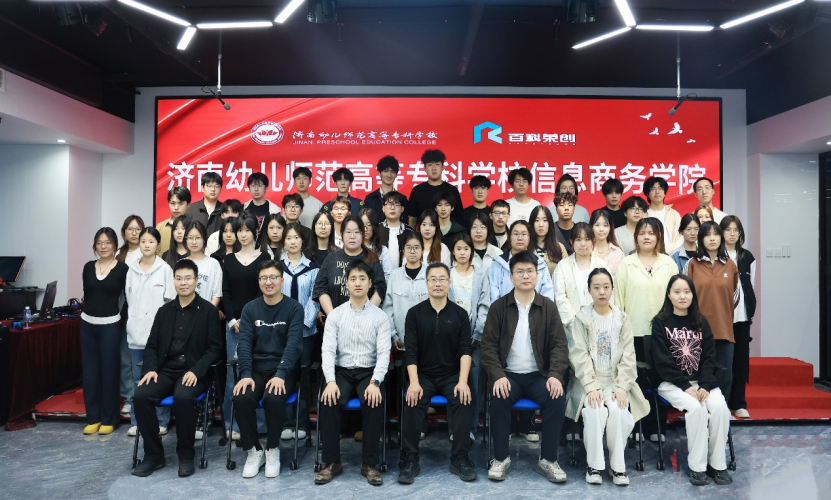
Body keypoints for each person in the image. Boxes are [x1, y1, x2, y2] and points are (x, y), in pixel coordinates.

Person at [481, 251, 569, 483]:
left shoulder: (548, 307)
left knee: (556, 398)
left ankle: (548, 459)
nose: (526, 276)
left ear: (537, 275)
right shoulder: (499, 307)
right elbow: (488, 347)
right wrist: (498, 375)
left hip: (539, 376)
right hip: (508, 376)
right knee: (498, 397)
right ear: (511, 277)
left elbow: (559, 346)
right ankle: (501, 458)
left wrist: (555, 375)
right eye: (520, 272)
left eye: (530, 271)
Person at [131, 259, 223, 478]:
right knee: (141, 396)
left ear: (196, 281)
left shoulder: (208, 311)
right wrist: (150, 369)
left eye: (188, 278)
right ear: (174, 281)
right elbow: (152, 345)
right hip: (165, 370)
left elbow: (215, 349)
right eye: (179, 278)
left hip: (193, 371)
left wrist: (196, 371)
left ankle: (186, 455)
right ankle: (154, 455)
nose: (183, 283)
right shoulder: (164, 311)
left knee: (183, 398)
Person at [565, 269, 649, 486]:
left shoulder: (622, 319)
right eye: (596, 287)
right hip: (588, 381)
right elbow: (578, 355)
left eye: (606, 287)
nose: (602, 292)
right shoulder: (581, 319)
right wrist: (591, 386)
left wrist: (621, 388)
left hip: (615, 380)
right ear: (589, 290)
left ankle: (617, 466)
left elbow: (629, 357)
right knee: (595, 410)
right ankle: (594, 466)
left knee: (619, 411)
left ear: (612, 289)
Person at [651, 275, 732, 486]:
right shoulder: (660, 323)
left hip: (701, 383)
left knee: (720, 408)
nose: (682, 296)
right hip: (672, 384)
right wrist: (685, 385)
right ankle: (697, 467)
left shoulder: (701, 322)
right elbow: (662, 361)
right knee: (696, 408)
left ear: (693, 295)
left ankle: (718, 465)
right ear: (669, 295)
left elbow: (709, 357)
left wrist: (705, 385)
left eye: (687, 292)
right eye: (677, 292)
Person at [316, 261, 391, 486]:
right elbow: (328, 351)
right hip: (342, 372)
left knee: (373, 401)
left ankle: (370, 464)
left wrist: (375, 382)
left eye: (362, 279)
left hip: (369, 372)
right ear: (346, 284)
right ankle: (332, 462)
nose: (358, 283)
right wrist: (330, 381)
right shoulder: (336, 315)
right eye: (353, 279)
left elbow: (384, 354)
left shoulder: (380, 317)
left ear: (370, 283)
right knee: (328, 399)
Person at [399, 263, 476, 484]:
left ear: (449, 283)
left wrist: (463, 381)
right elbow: (410, 351)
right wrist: (414, 382)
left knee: (463, 398)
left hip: (451, 375)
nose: (438, 283)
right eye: (433, 279)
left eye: (442, 279)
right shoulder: (414, 313)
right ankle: (410, 458)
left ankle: (460, 457)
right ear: (426, 283)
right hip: (423, 375)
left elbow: (465, 350)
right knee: (413, 399)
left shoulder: (460, 314)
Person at [233, 260, 305, 479]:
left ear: (282, 281)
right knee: (241, 397)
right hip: (256, 370)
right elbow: (244, 343)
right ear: (259, 282)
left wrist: (281, 374)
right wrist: (245, 374)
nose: (268, 282)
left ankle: (273, 449)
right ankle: (254, 450)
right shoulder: (250, 309)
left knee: (273, 397)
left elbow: (294, 345)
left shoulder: (294, 308)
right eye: (264, 278)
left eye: (273, 277)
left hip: (284, 370)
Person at [613, 218, 677, 442]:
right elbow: (618, 300)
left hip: (663, 333)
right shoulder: (626, 264)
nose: (647, 237)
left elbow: (675, 297)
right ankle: (636, 426)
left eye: (651, 233)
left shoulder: (669, 264)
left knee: (660, 379)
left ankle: (656, 426)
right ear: (636, 237)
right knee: (635, 380)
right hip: (634, 331)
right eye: (642, 233)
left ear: (659, 236)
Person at [221, 215, 270, 441]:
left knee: (256, 374)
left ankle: (258, 426)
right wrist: (233, 320)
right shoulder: (229, 260)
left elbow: (264, 291)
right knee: (233, 376)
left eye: (247, 230)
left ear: (255, 232)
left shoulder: (264, 257)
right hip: (234, 328)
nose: (242, 234)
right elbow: (226, 293)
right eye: (238, 230)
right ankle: (232, 424)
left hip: (258, 325)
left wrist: (249, 320)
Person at [125, 227, 175, 437]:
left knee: (159, 379)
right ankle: (137, 422)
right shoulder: (131, 269)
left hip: (159, 337)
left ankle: (161, 421)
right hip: (136, 334)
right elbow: (129, 300)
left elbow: (170, 302)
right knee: (138, 380)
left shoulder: (165, 269)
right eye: (143, 241)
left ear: (158, 245)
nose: (147, 245)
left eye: (151, 241)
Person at [80, 228, 129, 436]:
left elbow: (127, 299)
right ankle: (93, 418)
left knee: (110, 372)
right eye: (99, 243)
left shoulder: (122, 269)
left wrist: (120, 320)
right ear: (95, 246)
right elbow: (88, 294)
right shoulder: (88, 267)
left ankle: (109, 419)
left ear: (115, 245)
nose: (103, 246)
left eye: (107, 242)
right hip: (87, 324)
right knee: (90, 373)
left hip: (110, 325)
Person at [683, 221, 739, 401]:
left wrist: (722, 312)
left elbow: (735, 296)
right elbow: (683, 295)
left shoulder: (730, 265)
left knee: (724, 377)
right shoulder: (692, 264)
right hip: (696, 330)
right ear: (700, 239)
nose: (712, 238)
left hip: (724, 330)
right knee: (698, 376)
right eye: (707, 235)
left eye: (716, 234)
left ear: (721, 238)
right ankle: (699, 411)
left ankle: (722, 411)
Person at [279, 223, 321, 440]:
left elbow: (315, 298)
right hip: (282, 332)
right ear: (283, 242)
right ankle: (286, 422)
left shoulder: (313, 269)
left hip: (305, 332)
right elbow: (274, 298)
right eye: (288, 238)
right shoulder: (277, 268)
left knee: (304, 377)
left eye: (296, 237)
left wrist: (302, 323)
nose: (292, 241)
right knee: (285, 375)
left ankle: (302, 423)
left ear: (302, 240)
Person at [448, 233, 491, 441]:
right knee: (452, 383)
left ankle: (471, 428)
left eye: (466, 249)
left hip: (473, 339)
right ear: (453, 252)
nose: (462, 253)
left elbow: (485, 305)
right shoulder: (447, 274)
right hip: (450, 339)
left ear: (472, 252)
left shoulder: (481, 275)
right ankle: (454, 429)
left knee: (473, 384)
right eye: (458, 249)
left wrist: (477, 333)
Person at [720, 216, 757, 419]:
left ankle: (739, 403)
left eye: (736, 230)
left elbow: (750, 286)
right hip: (722, 318)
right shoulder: (717, 256)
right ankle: (722, 403)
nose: (732, 233)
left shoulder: (747, 257)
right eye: (728, 230)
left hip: (742, 317)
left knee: (741, 361)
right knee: (723, 361)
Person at [313, 215, 387, 314]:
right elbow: (320, 288)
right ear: (341, 235)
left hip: (365, 318)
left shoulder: (372, 258)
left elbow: (380, 288)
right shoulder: (331, 258)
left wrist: (366, 315)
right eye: (348, 232)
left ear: (362, 235)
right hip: (336, 318)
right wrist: (332, 316)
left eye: (356, 232)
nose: (352, 236)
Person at [553, 223, 610, 340]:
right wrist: (575, 324)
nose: (583, 244)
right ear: (571, 241)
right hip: (570, 331)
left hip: (599, 329)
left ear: (593, 241)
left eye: (587, 239)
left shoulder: (601, 265)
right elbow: (559, 297)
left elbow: (609, 295)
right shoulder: (563, 266)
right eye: (578, 240)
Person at [116, 215, 146, 418]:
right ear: (124, 232)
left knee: (141, 359)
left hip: (143, 311)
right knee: (125, 358)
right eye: (130, 229)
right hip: (123, 311)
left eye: (138, 229)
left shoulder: (146, 252)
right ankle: (128, 397)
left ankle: (143, 396)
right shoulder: (119, 255)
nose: (134, 233)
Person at [383, 230, 429, 353]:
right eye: (408, 247)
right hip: (401, 343)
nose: (412, 251)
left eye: (416, 247)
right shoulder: (395, 276)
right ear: (403, 250)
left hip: (428, 343)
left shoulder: (430, 275)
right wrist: (393, 335)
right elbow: (388, 308)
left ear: (422, 250)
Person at [489, 220, 556, 303]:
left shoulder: (540, 263)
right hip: (504, 310)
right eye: (516, 234)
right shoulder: (498, 263)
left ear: (529, 238)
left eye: (524, 234)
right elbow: (494, 295)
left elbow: (547, 293)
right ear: (510, 237)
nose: (520, 238)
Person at [407, 149, 463, 227]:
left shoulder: (452, 190)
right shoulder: (417, 191)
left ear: (443, 167)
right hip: (424, 233)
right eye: (430, 165)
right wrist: (411, 233)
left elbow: (459, 217)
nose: (434, 168)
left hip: (448, 233)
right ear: (424, 168)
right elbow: (412, 219)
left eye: (437, 164)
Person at [184, 221, 222, 308]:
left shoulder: (213, 264)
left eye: (198, 238)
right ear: (186, 239)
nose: (194, 242)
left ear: (204, 239)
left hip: (207, 313)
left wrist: (207, 312)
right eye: (190, 238)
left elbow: (217, 295)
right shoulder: (181, 263)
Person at [364, 155, 408, 222]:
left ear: (396, 174)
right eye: (385, 171)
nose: (389, 175)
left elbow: (405, 222)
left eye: (392, 171)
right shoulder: (370, 199)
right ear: (379, 173)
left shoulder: (402, 199)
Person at [644, 176, 682, 251]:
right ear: (648, 194)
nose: (657, 192)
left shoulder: (674, 214)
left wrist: (673, 252)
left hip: (672, 254)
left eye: (660, 188)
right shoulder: (643, 214)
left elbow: (681, 236)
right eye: (653, 189)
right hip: (649, 254)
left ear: (665, 193)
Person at [378, 191, 414, 269]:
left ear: (402, 209)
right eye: (389, 204)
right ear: (383, 208)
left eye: (396, 204)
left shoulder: (409, 232)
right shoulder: (376, 230)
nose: (392, 207)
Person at [529, 205, 567, 278]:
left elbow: (566, 274)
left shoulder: (559, 248)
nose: (541, 225)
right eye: (537, 220)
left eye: (545, 220)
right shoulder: (525, 247)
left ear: (550, 223)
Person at [186, 171, 224, 238]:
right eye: (209, 186)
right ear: (202, 188)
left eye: (216, 186)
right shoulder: (191, 209)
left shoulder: (225, 209)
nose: (213, 189)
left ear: (221, 189)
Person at [360, 208, 393, 281]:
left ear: (374, 226)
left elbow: (388, 275)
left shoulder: (383, 250)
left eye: (369, 225)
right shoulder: (354, 249)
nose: (365, 229)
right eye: (362, 225)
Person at [157, 186, 191, 255]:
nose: (176, 208)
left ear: (188, 205)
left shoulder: (193, 227)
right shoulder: (160, 227)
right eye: (173, 203)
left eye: (180, 203)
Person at [590, 210, 624, 276]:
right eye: (597, 225)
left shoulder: (618, 252)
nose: (601, 229)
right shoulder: (586, 250)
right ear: (591, 227)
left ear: (610, 228)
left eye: (605, 225)